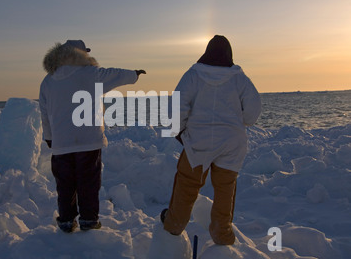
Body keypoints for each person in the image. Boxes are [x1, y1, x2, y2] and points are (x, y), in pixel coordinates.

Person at [161, 35, 261, 245]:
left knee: (187, 184)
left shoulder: (193, 75)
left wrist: (179, 130)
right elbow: (253, 111)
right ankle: (222, 234)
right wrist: (237, 123)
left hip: (199, 141)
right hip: (232, 143)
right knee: (225, 188)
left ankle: (174, 225)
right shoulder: (239, 78)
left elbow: (178, 106)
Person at [39, 40, 146, 233]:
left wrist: (49, 137)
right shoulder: (91, 74)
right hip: (89, 140)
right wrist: (134, 75)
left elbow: (44, 112)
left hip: (61, 143)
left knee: (65, 184)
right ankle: (88, 220)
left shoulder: (49, 80)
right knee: (88, 181)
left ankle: (66, 220)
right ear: (81, 54)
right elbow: (116, 75)